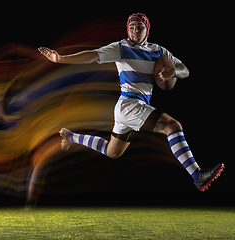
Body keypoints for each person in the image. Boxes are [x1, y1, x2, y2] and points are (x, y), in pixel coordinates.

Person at [38, 13, 224, 191]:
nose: (135, 31)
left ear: (147, 30)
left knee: (113, 152)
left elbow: (185, 70)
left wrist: (173, 71)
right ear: (128, 31)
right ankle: (197, 175)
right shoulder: (121, 48)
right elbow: (93, 55)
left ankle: (70, 136)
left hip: (129, 108)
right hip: (130, 105)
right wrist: (61, 58)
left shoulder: (159, 51)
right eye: (132, 27)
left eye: (140, 27)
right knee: (172, 126)